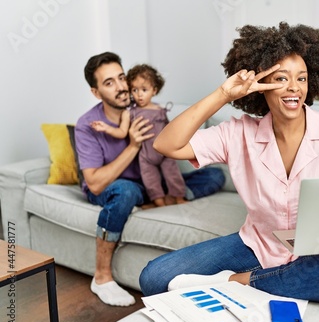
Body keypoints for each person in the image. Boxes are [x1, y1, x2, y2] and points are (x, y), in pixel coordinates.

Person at [139, 22, 319, 304]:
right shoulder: (239, 133)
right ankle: (285, 281)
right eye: (281, 79)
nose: (294, 88)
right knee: (154, 278)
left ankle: (235, 283)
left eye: (301, 78)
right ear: (261, 85)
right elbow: (166, 144)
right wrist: (224, 95)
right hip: (259, 244)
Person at [76, 52, 225, 307]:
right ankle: (101, 277)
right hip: (113, 187)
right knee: (125, 191)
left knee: (214, 174)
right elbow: (95, 183)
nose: (121, 87)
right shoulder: (88, 124)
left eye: (121, 77)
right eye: (109, 83)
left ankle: (148, 202)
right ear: (96, 92)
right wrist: (133, 145)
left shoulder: (142, 110)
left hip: (149, 184)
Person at [90, 64, 188, 206]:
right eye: (134, 90)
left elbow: (169, 130)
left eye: (144, 90)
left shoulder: (160, 110)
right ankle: (159, 202)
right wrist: (106, 128)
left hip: (165, 153)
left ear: (154, 90)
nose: (139, 94)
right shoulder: (129, 112)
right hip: (145, 156)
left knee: (174, 176)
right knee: (150, 180)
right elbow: (122, 132)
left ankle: (178, 197)